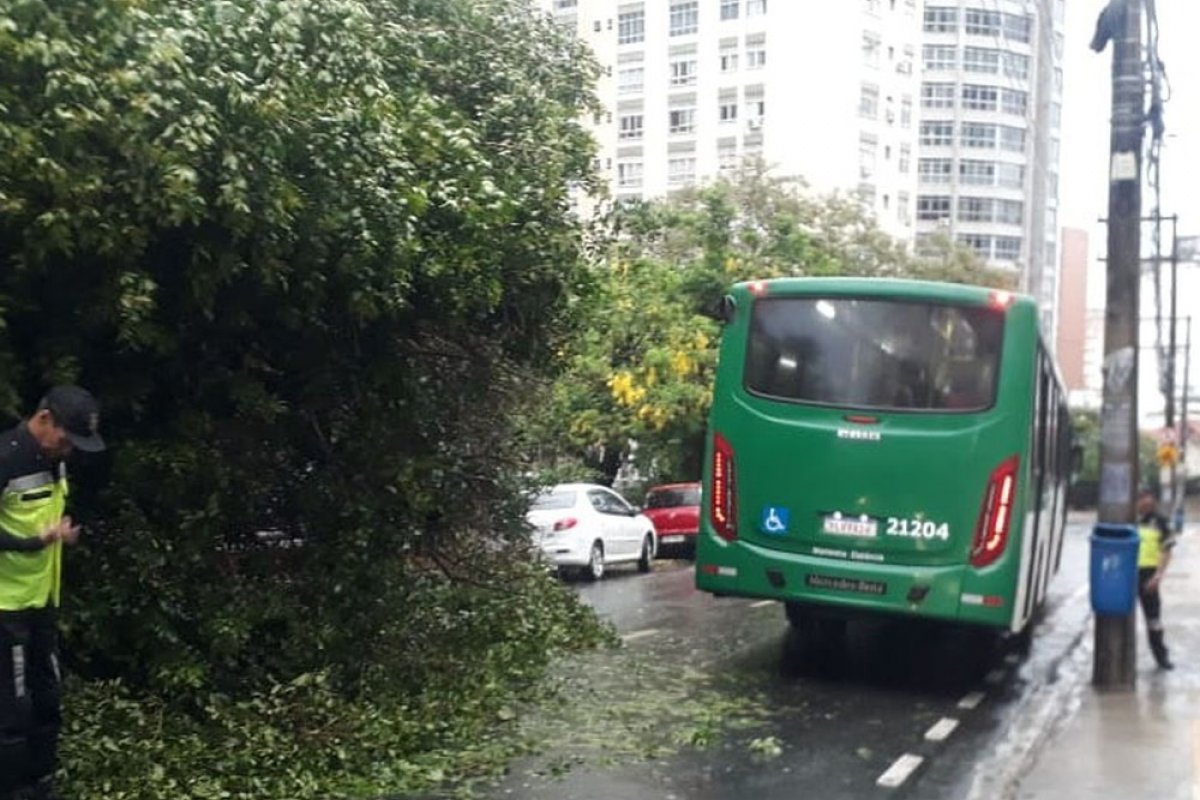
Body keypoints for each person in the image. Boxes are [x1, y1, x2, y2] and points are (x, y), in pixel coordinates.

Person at [0, 386, 105, 800]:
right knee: (13, 711)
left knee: (48, 700)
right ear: (44, 419)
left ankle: (42, 785)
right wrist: (35, 542)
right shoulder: (6, 457)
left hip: (43, 600)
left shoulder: (54, 459)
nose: (69, 449)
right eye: (66, 439)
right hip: (6, 607)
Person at [1137, 487, 1176, 670]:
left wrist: (1158, 576)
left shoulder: (1160, 521)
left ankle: (1161, 657)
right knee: (1119, 619)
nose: (1145, 501)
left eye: (1147, 497)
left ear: (1153, 499)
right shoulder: (1127, 519)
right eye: (1141, 498)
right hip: (1127, 576)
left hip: (1148, 576)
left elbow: (1166, 551)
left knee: (1153, 621)